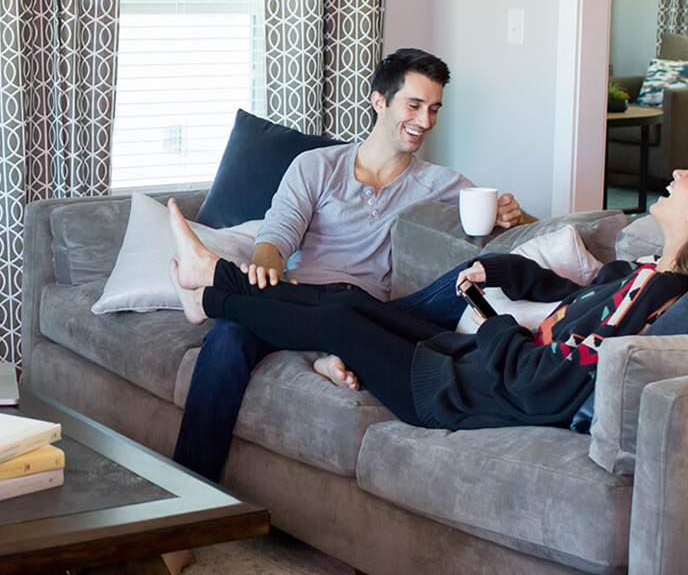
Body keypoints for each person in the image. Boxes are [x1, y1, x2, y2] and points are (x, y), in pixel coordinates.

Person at [167, 152, 688, 431]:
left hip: (457, 393)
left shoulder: (659, 297)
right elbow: (570, 297)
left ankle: (211, 284)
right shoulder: (648, 273)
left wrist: (493, 321)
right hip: (470, 367)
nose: (678, 173)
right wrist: (503, 272)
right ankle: (210, 287)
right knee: (345, 303)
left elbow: (545, 380)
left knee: (339, 320)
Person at [173, 48, 535, 482]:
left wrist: (517, 215)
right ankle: (189, 500)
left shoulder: (442, 185)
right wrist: (265, 268)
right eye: (414, 105)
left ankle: (214, 288)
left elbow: (525, 229)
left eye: (434, 109)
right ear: (379, 101)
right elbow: (276, 235)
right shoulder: (317, 166)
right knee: (230, 335)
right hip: (299, 299)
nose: (425, 120)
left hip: (370, 314)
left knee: (363, 306)